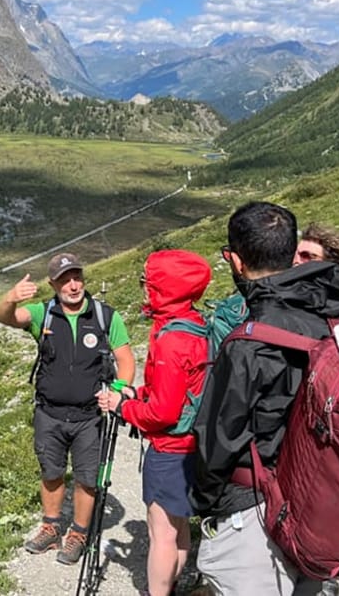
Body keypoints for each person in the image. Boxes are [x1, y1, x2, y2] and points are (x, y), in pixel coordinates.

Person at [190, 202, 339, 595]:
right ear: (291, 253)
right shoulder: (332, 320)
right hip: (319, 496)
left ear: (234, 261)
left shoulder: (247, 344)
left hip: (254, 507)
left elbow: (217, 442)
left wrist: (205, 500)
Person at [0, 252, 136, 565]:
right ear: (52, 284)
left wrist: (115, 392)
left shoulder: (105, 316)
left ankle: (78, 534)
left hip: (89, 415)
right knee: (51, 472)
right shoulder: (42, 314)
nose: (73, 286)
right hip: (49, 412)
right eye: (64, 280)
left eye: (77, 278)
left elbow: (126, 361)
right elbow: (6, 317)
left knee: (87, 477)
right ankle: (50, 528)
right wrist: (10, 298)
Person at [97, 249, 210, 596]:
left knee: (161, 530)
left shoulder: (170, 339)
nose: (144, 288)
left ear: (165, 287)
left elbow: (163, 414)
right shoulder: (193, 324)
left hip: (169, 450)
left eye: (149, 281)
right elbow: (179, 389)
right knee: (180, 523)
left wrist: (121, 405)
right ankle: (177, 581)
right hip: (194, 446)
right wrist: (138, 392)